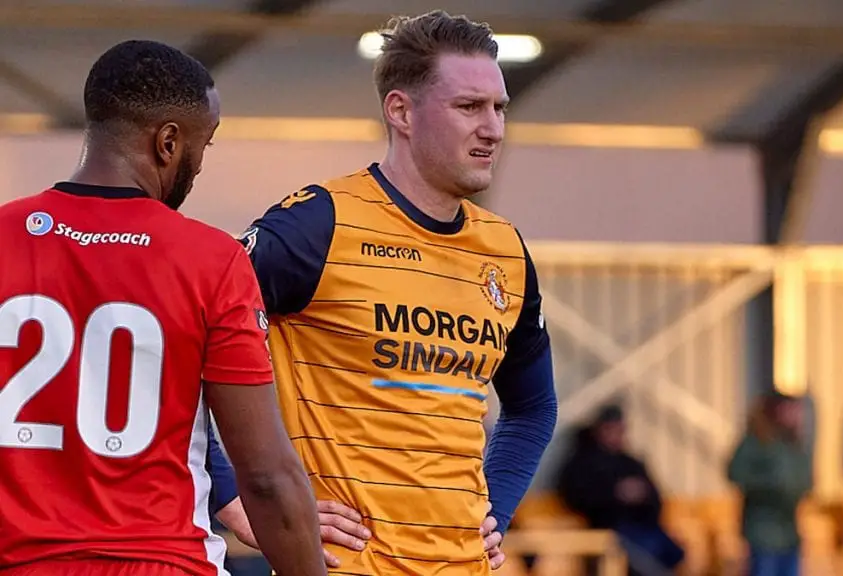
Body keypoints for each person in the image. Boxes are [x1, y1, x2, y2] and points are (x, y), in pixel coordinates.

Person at [234, 10, 558, 575]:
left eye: (499, 108)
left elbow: (534, 407)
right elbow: (176, 338)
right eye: (469, 107)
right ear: (401, 111)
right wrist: (235, 499)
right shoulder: (316, 226)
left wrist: (497, 509)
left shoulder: (505, 251)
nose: (494, 128)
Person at [0, 40, 325, 576]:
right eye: (205, 144)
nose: (198, 166)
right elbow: (266, 476)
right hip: (160, 562)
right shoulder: (211, 260)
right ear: (168, 142)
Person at [556, 405, 685, 576]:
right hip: (608, 529)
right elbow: (576, 497)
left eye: (620, 430)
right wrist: (616, 494)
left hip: (643, 527)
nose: (616, 435)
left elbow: (657, 500)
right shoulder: (582, 463)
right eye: (611, 429)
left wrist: (642, 496)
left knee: (672, 551)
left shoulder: (632, 463)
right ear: (599, 430)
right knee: (640, 555)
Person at [727, 392, 812, 576]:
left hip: (789, 532)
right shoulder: (757, 442)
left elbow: (804, 478)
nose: (797, 415)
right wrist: (770, 486)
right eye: (791, 409)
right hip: (763, 532)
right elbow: (736, 473)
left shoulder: (793, 445)